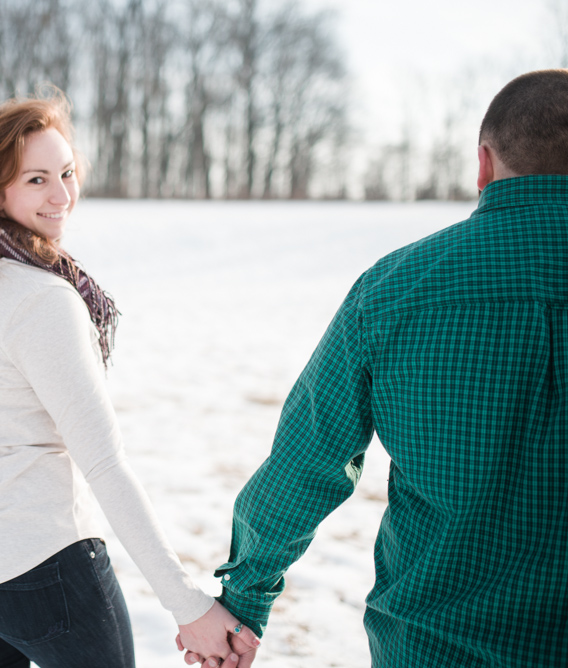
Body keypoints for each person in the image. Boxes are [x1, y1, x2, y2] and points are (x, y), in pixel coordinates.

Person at [181, 69, 568, 668]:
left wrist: (243, 601)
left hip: (434, 648)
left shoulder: (394, 290)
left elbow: (307, 462)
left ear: (484, 164)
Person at [0, 90, 259, 668]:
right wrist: (188, 605)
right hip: (35, 570)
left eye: (66, 173)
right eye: (37, 179)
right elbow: (104, 463)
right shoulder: (39, 298)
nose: (63, 195)